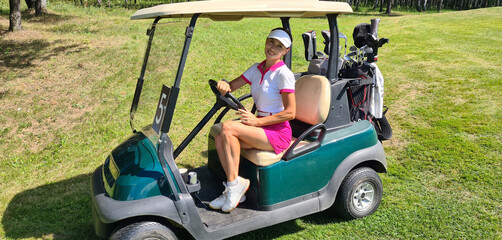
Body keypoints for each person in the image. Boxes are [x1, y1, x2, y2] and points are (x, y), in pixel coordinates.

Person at [210, 28, 296, 213]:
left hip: (277, 132)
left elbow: (290, 113)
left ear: (285, 51)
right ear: (266, 41)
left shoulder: (283, 74)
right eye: (271, 42)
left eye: (279, 46)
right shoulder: (256, 68)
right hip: (260, 126)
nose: (272, 48)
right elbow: (232, 86)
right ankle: (234, 186)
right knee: (220, 137)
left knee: (227, 127)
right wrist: (225, 85)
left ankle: (234, 187)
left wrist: (257, 122)